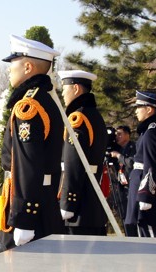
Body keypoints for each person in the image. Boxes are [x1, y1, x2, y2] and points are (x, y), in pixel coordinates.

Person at [0, 35, 64, 249]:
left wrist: (24, 218)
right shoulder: (43, 99)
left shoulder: (29, 106)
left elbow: (27, 163)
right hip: (42, 200)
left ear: (27, 67)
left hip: (30, 208)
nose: (9, 69)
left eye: (13, 63)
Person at [57, 70, 108, 235]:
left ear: (76, 89)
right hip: (93, 201)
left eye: (65, 89)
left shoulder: (78, 118)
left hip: (79, 206)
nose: (63, 94)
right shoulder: (94, 115)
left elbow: (73, 163)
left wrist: (68, 203)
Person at [125, 90, 156, 238]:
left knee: (148, 232)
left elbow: (152, 164)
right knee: (140, 231)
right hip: (141, 184)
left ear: (149, 109)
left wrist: (145, 195)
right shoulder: (149, 130)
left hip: (145, 189)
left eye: (139, 107)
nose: (136, 111)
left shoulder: (152, 132)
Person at [109, 125, 136, 222]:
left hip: (132, 185)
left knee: (134, 217)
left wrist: (118, 156)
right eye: (116, 135)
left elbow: (132, 163)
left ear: (127, 135)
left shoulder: (134, 147)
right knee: (125, 217)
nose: (117, 137)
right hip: (121, 187)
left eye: (120, 134)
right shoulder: (117, 148)